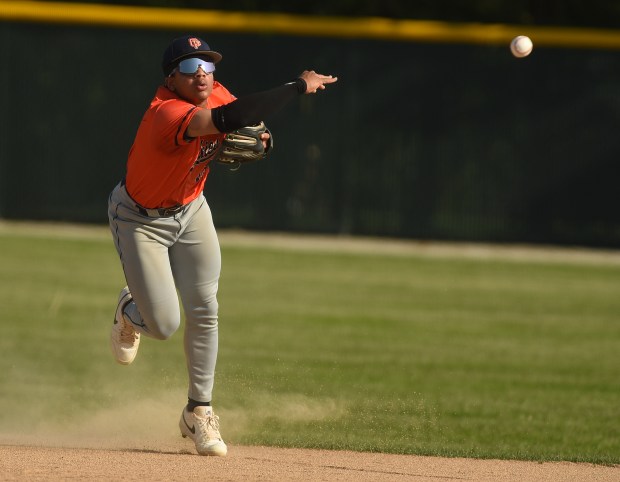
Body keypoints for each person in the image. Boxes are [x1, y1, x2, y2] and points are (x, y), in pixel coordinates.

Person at [107, 34, 337, 457]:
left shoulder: (212, 93)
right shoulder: (167, 113)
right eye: (192, 68)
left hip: (192, 209)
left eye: (209, 67)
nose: (203, 76)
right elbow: (232, 117)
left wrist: (262, 138)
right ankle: (130, 309)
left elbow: (246, 117)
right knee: (163, 325)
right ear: (171, 78)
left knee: (205, 308)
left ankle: (199, 410)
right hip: (140, 219)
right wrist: (297, 86)